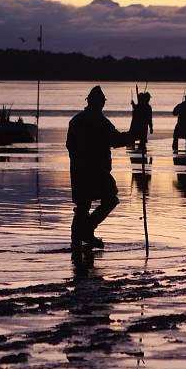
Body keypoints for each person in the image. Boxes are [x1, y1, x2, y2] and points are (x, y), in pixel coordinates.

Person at [67, 86, 130, 250]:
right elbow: (115, 140)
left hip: (79, 171)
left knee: (82, 205)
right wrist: (132, 136)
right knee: (110, 199)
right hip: (96, 171)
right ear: (98, 103)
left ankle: (79, 239)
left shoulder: (76, 121)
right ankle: (86, 231)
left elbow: (70, 146)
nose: (102, 105)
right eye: (101, 102)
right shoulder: (100, 122)